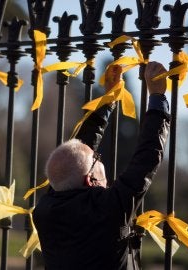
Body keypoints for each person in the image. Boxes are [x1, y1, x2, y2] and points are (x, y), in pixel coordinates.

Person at [33, 61, 170, 270]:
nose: (99, 157)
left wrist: (108, 100)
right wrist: (158, 97)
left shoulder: (44, 210)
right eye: (97, 158)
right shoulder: (108, 209)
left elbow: (76, 155)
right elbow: (147, 158)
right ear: (90, 180)